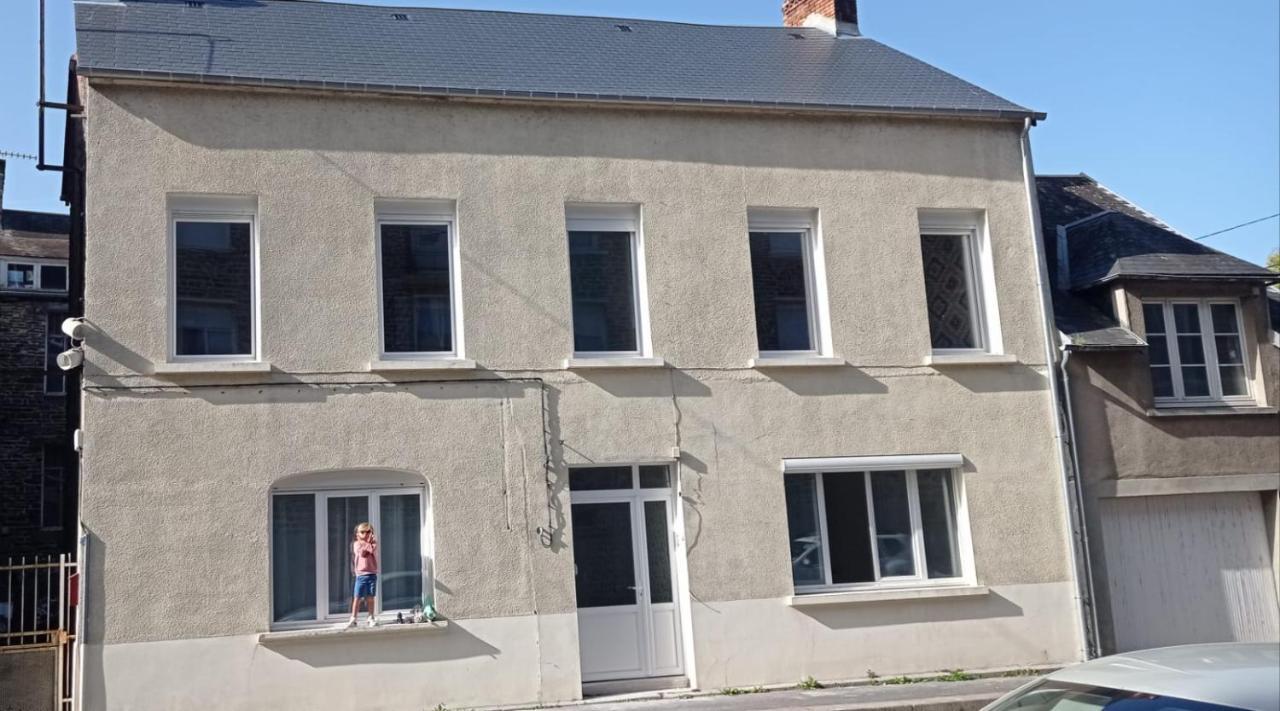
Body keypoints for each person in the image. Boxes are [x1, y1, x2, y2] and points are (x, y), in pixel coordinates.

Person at [346, 522, 379, 628]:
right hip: (361, 575)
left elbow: (371, 549)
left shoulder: (373, 544)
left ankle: (370, 617)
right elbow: (362, 554)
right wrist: (368, 543)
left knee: (370, 597)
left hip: (371, 574)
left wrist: (370, 542)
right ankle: (353, 618)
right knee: (357, 597)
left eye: (368, 532)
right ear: (357, 534)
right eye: (362, 532)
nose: (365, 534)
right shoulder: (356, 544)